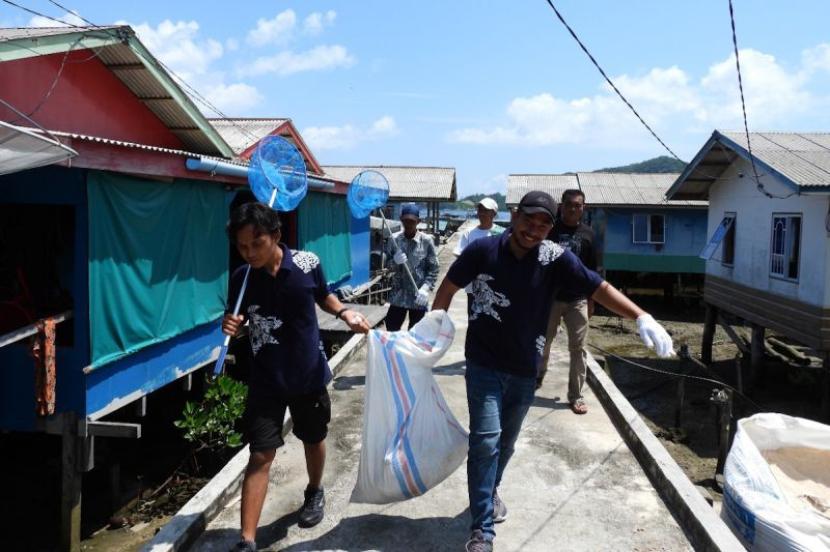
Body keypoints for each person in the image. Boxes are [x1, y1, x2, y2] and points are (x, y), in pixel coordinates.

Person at [430, 191, 674, 552]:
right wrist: (432, 331)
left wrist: (641, 316)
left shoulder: (555, 258)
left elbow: (598, 286)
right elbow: (448, 288)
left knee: (506, 443)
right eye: (529, 221)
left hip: (526, 367)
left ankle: (490, 490)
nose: (534, 230)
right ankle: (482, 529)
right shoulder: (484, 251)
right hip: (483, 363)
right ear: (514, 217)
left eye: (544, 225)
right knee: (485, 439)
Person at [222, 202, 370, 552]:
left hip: (307, 373)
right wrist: (231, 327)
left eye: (256, 243)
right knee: (260, 455)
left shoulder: (307, 263)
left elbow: (325, 296)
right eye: (242, 247)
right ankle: (247, 540)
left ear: (276, 235)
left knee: (313, 436)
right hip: (265, 379)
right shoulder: (241, 279)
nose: (250, 253)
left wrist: (345, 312)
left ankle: (314, 490)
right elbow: (238, 323)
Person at [537, 188, 597, 414]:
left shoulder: (589, 234)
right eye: (569, 204)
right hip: (550, 298)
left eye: (578, 205)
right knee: (543, 342)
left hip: (578, 300)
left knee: (579, 349)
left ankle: (576, 395)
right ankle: (537, 376)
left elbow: (594, 270)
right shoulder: (551, 230)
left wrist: (592, 301)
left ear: (584, 208)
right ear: (561, 206)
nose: (573, 209)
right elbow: (538, 263)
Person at [384, 202, 439, 331]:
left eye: (412, 221)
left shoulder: (426, 241)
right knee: (391, 327)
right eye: (405, 221)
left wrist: (426, 288)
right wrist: (394, 262)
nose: (408, 224)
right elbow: (387, 267)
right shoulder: (394, 240)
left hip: (418, 296)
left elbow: (434, 269)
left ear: (418, 221)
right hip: (398, 295)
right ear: (401, 220)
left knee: (416, 332)